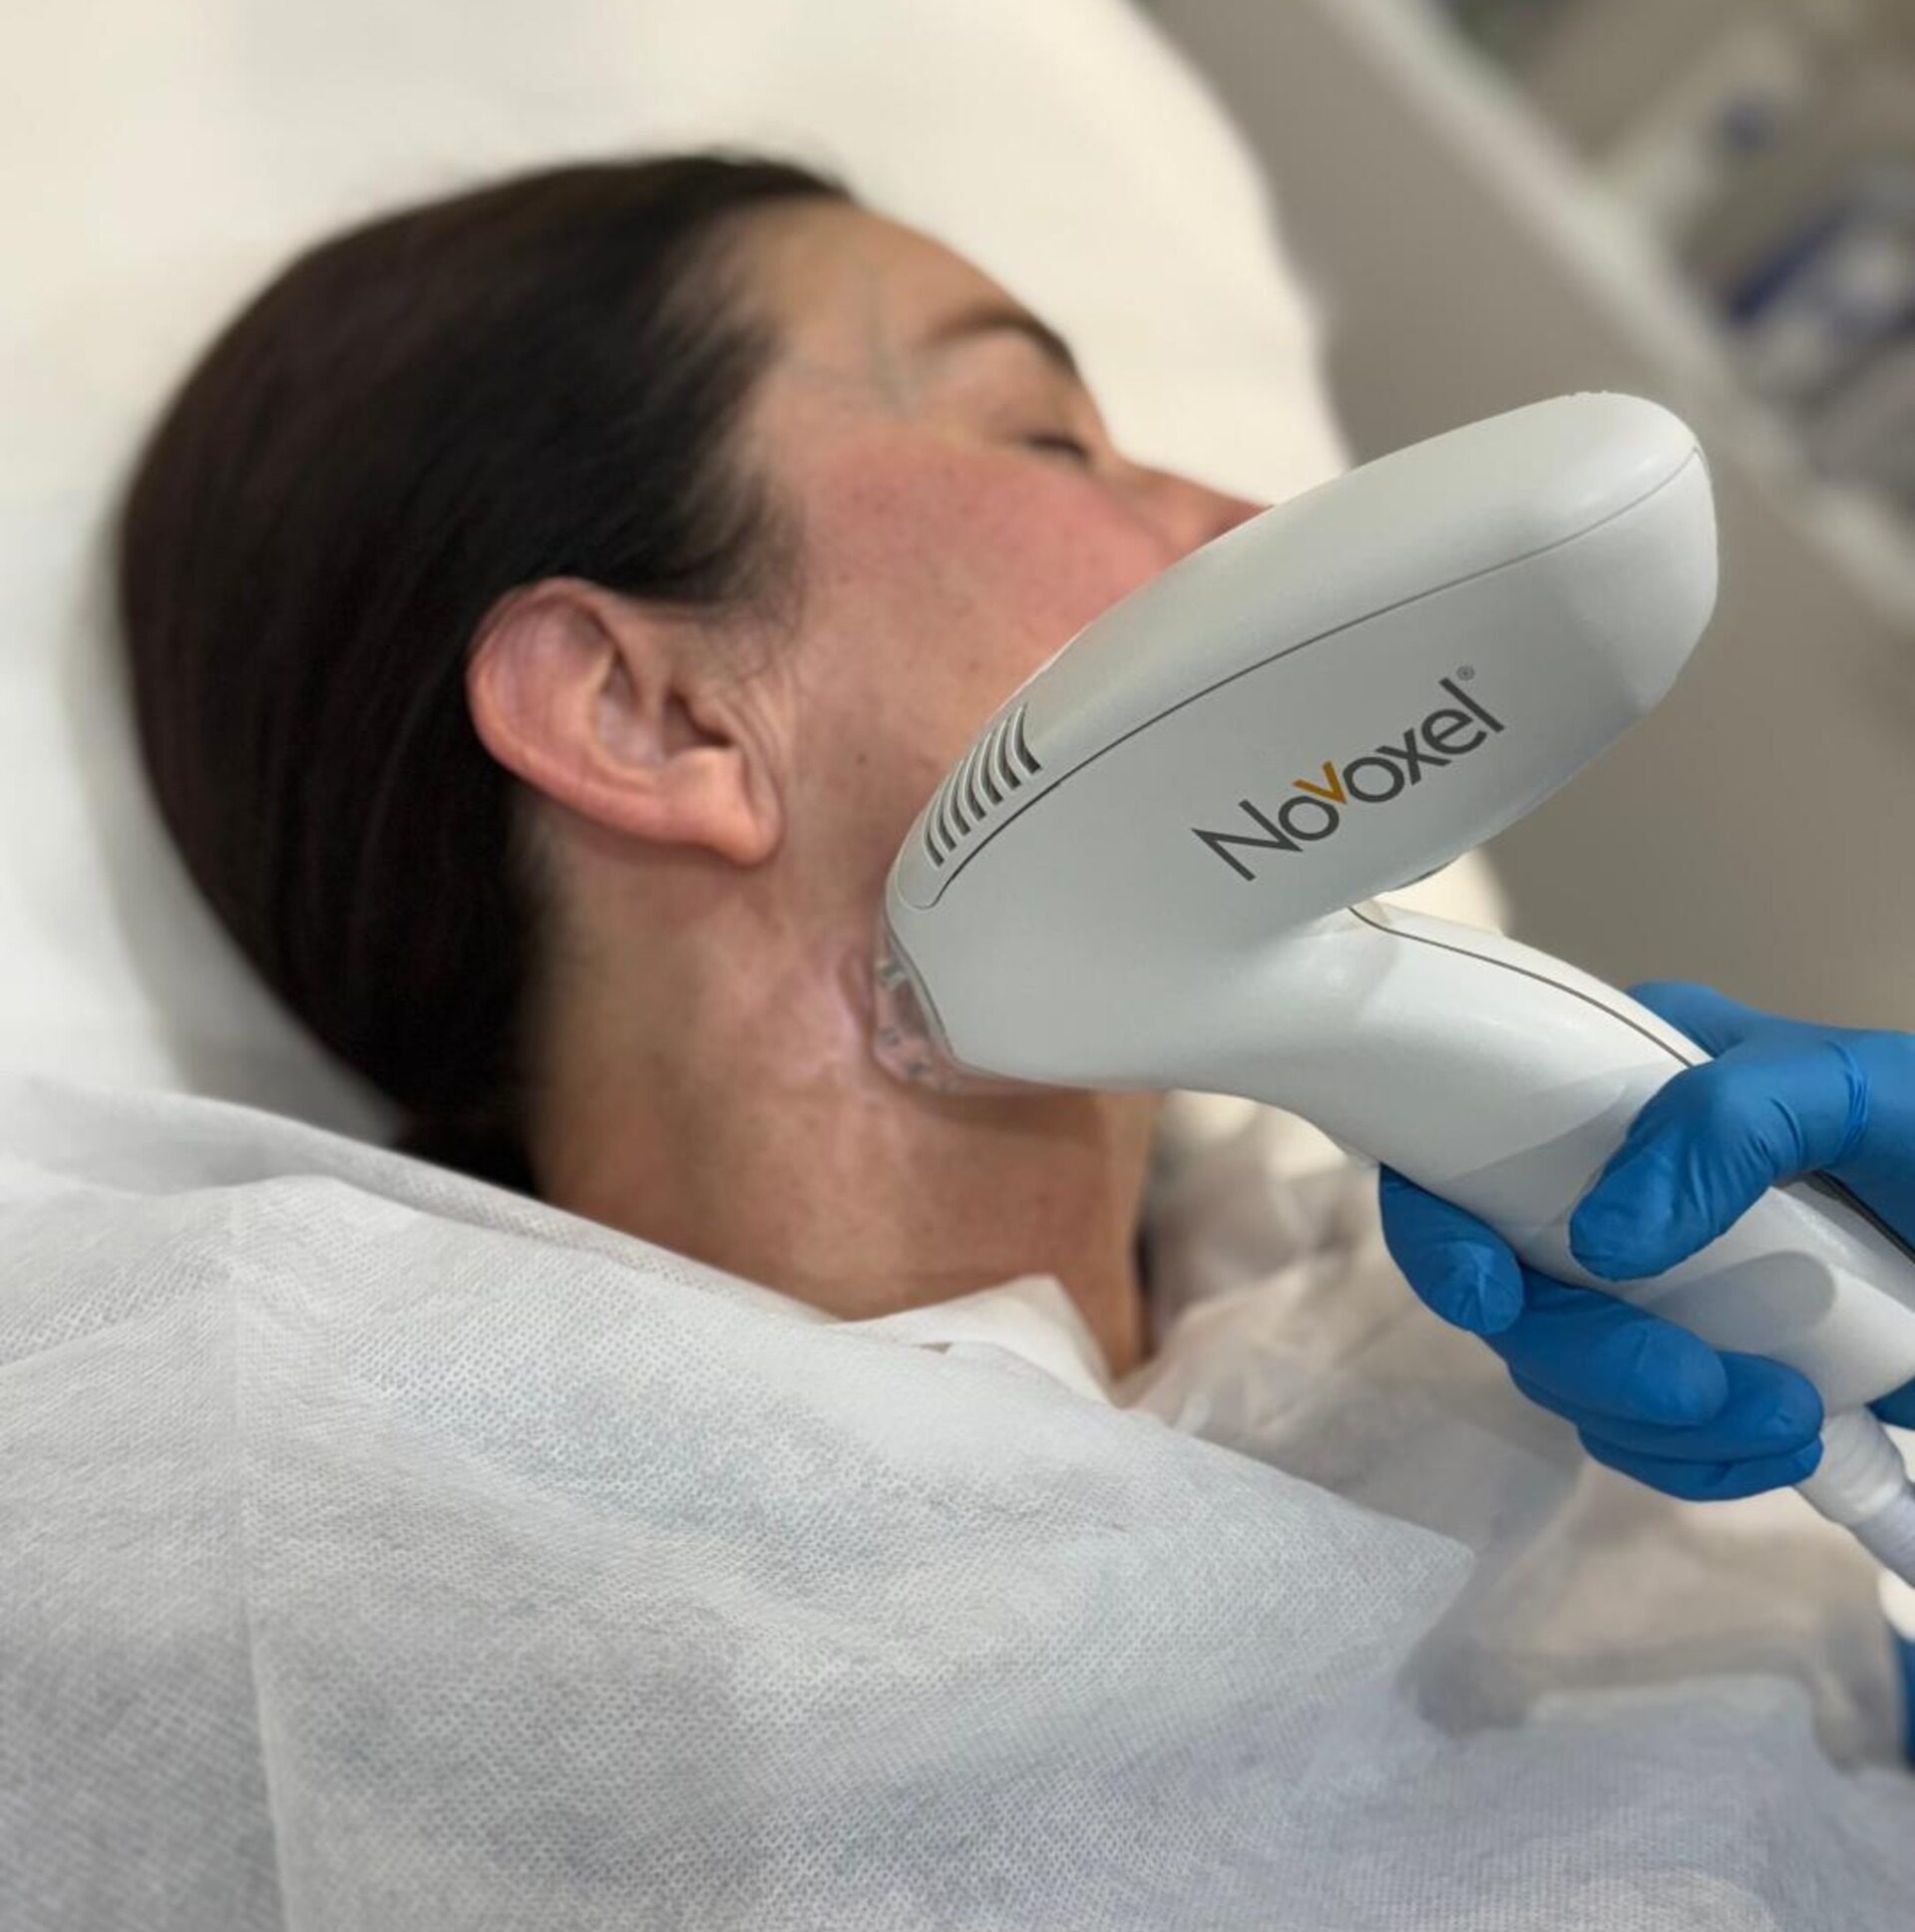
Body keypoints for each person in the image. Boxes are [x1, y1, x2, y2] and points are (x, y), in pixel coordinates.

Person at [117, 152, 1915, 1648]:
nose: (1239, 515)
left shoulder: (1462, 1380)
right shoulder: (450, 1641)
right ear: (650, 712)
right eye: (1050, 437)